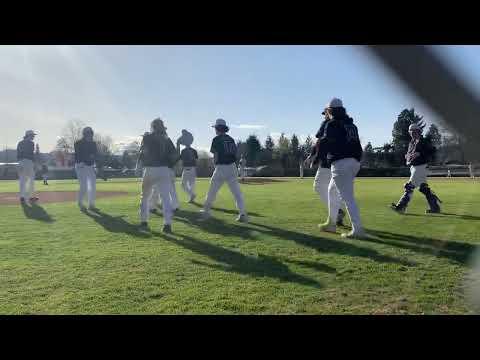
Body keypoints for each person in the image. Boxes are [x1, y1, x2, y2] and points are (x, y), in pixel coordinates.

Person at [317, 98, 366, 239]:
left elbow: (325, 141)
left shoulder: (332, 124)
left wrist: (317, 156)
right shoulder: (351, 125)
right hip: (354, 162)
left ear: (330, 110)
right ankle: (331, 223)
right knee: (332, 191)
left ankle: (358, 229)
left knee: (347, 198)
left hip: (341, 163)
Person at [200, 118, 248, 222]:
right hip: (232, 167)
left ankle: (206, 212)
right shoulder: (231, 139)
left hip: (221, 167)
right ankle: (243, 214)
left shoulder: (216, 139)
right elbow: (235, 154)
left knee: (212, 191)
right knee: (237, 193)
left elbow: (215, 155)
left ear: (217, 128)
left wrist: (215, 165)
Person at [305, 110, 346, 227]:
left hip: (327, 160)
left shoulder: (327, 124)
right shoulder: (343, 123)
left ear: (330, 112)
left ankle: (338, 211)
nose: (325, 116)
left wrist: (314, 157)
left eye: (326, 113)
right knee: (333, 189)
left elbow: (319, 141)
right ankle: (338, 213)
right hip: (341, 161)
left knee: (318, 186)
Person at [391, 122, 441, 214]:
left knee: (409, 186)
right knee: (423, 188)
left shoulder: (424, 141)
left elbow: (432, 150)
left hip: (421, 166)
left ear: (418, 131)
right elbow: (410, 154)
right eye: (411, 132)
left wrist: (421, 153)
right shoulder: (411, 143)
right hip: (414, 167)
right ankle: (435, 207)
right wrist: (407, 157)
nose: (412, 133)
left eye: (414, 131)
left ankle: (401, 207)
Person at [137, 118, 177, 233]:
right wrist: (169, 164)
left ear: (152, 126)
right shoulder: (166, 139)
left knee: (144, 197)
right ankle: (167, 225)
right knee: (165, 198)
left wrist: (139, 166)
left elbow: (142, 152)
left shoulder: (147, 137)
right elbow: (174, 156)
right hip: (164, 169)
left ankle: (144, 222)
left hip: (150, 169)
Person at [74, 127, 99, 211]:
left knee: (92, 186)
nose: (90, 135)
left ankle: (91, 204)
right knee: (84, 186)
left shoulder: (93, 143)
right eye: (88, 133)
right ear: (84, 134)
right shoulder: (78, 143)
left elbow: (95, 155)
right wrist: (90, 156)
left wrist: (96, 165)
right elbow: (80, 155)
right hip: (81, 166)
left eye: (91, 133)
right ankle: (80, 203)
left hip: (90, 166)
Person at [17, 130, 39, 203]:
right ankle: (31, 197)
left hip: (21, 161)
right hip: (28, 162)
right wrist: (35, 163)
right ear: (29, 135)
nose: (33, 136)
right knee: (31, 179)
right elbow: (31, 155)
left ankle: (22, 197)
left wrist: (19, 163)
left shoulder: (20, 143)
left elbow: (18, 154)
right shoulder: (31, 143)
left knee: (22, 180)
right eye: (32, 135)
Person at [178, 129, 198, 203]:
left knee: (186, 185)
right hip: (191, 169)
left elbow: (182, 160)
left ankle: (191, 197)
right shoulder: (190, 151)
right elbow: (195, 160)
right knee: (186, 185)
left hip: (188, 169)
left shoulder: (184, 151)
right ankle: (192, 195)